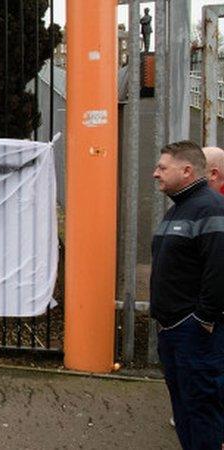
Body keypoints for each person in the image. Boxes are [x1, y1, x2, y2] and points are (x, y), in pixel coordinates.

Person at [151, 140, 224, 449]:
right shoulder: (179, 209)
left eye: (162, 167)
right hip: (173, 331)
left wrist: (203, 319)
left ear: (187, 170)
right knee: (183, 410)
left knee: (201, 410)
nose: (155, 173)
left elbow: (219, 270)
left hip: (194, 332)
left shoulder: (210, 207)